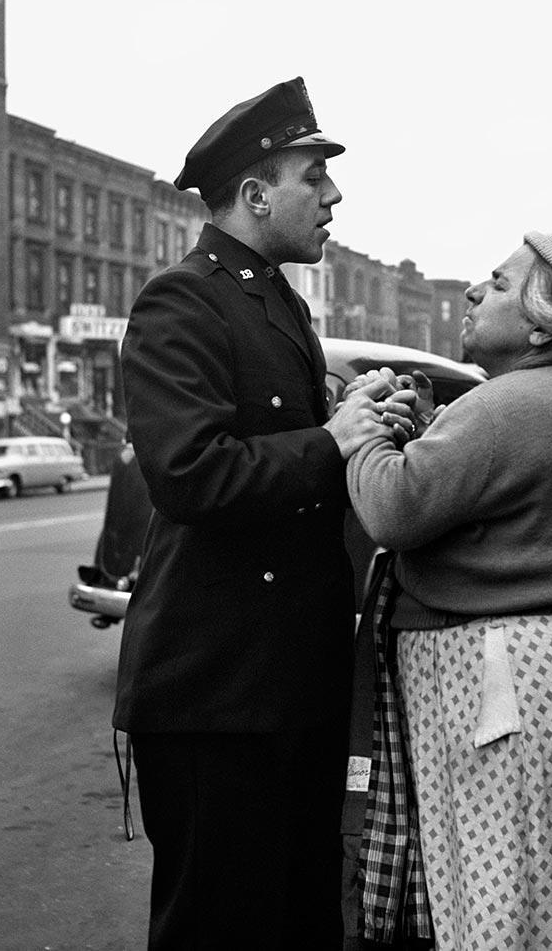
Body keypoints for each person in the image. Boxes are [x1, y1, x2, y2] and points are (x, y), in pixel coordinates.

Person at [113, 77, 412, 950]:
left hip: (287, 688)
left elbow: (283, 430)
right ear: (254, 194)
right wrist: (332, 437)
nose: (333, 196)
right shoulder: (181, 300)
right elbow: (188, 472)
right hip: (218, 697)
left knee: (299, 920)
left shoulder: (278, 299)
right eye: (313, 176)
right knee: (220, 929)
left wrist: (364, 411)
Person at [347, 232, 552, 949]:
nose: (473, 291)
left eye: (497, 284)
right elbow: (492, 497)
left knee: (513, 905)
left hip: (513, 698)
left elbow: (393, 508)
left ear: (540, 327)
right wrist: (436, 428)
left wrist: (360, 434)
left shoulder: (507, 406)